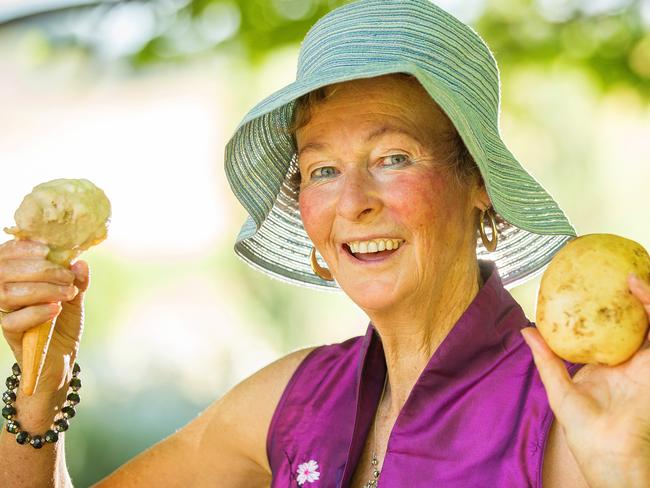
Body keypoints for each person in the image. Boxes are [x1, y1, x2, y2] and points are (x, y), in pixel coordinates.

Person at [1, 0, 650, 486]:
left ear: (477, 181)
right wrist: (40, 389)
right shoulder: (291, 401)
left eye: (394, 156)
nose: (353, 201)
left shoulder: (580, 407)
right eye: (322, 170)